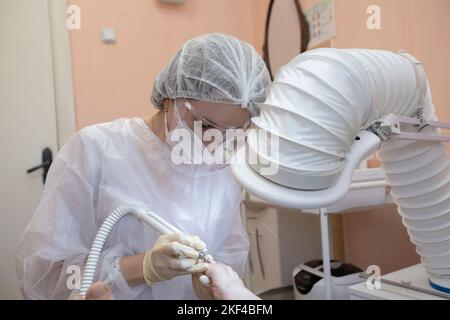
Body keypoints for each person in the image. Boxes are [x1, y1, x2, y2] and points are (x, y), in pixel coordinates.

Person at [16, 33, 271, 300]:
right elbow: (42, 276)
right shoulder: (95, 150)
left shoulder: (223, 169)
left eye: (230, 133)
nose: (212, 143)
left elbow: (231, 260)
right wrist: (142, 267)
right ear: (169, 98)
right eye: (204, 125)